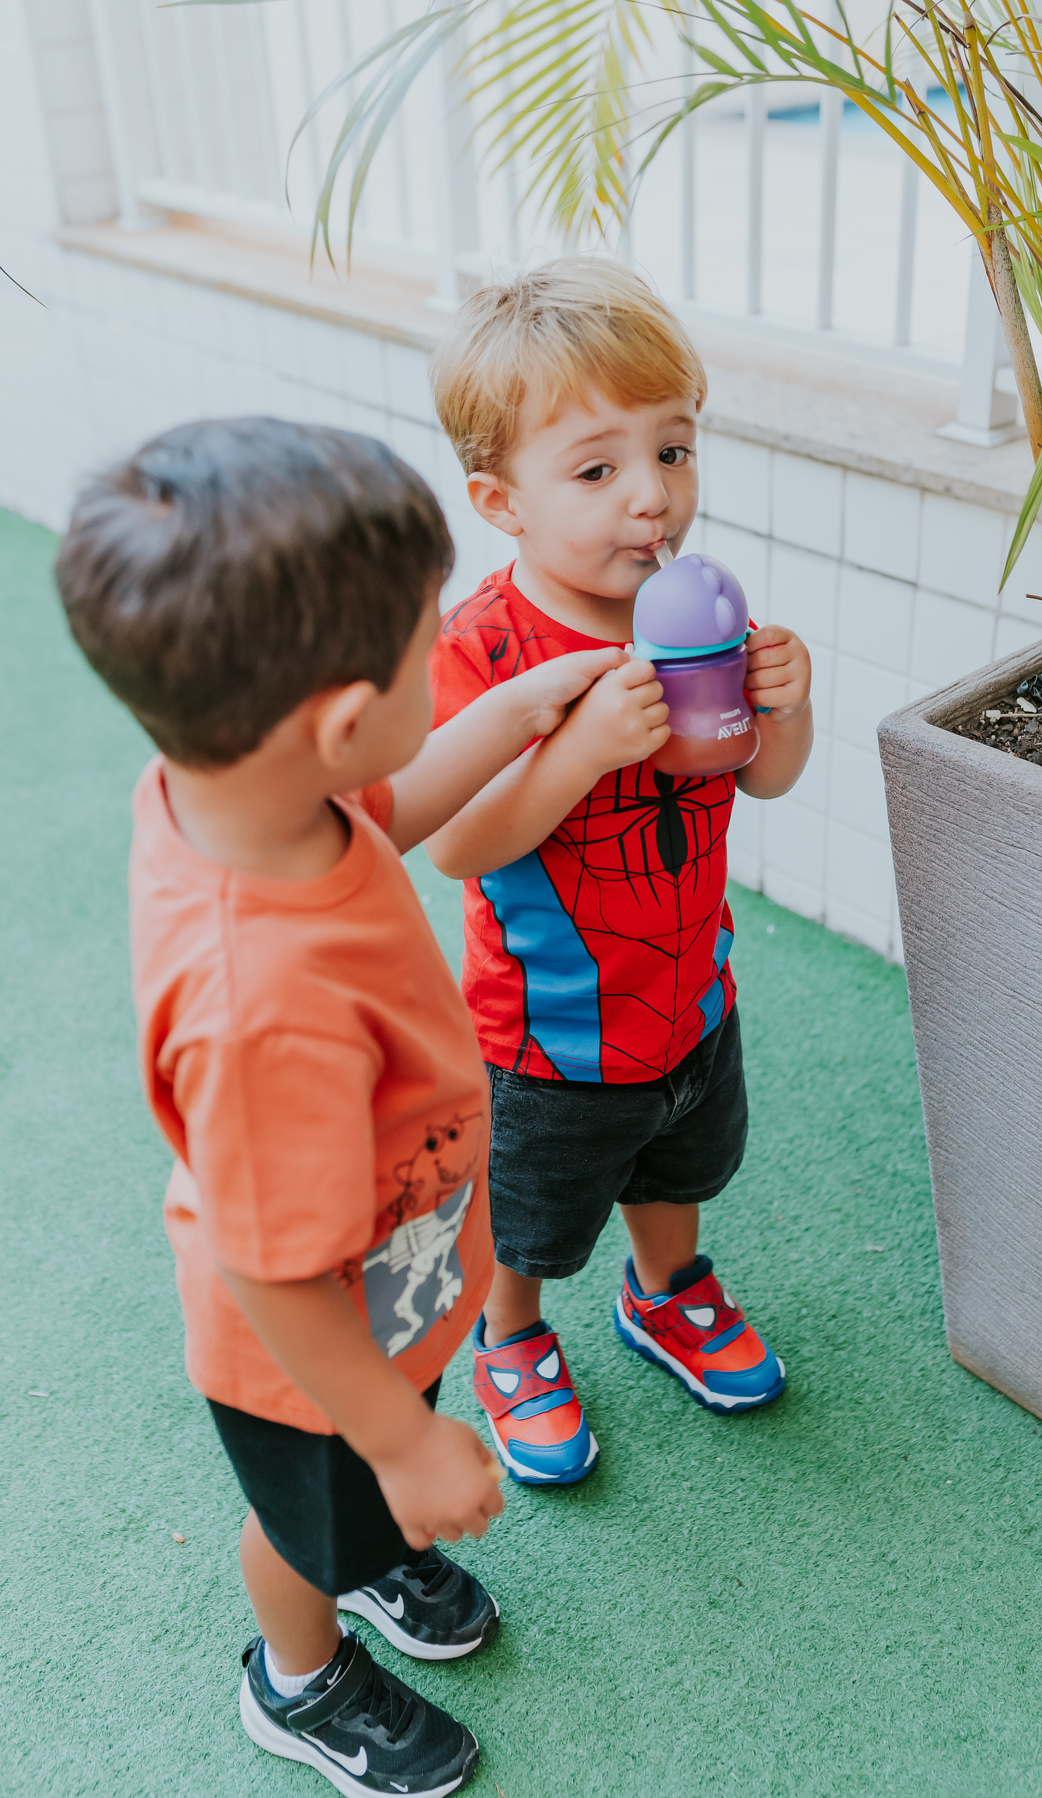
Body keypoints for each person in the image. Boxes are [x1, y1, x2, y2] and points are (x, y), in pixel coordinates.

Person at [55, 417, 631, 1796]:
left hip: (395, 1267)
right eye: (426, 646)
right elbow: (272, 1263)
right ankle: (300, 1671)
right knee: (303, 1520)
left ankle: (372, 1547)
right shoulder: (266, 1005)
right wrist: (400, 1433)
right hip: (311, 1348)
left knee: (359, 1505)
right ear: (331, 721)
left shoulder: (246, 790)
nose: (450, 656)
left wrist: (520, 704)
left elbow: (397, 806)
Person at [425, 260, 814, 1487]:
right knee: (529, 1212)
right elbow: (457, 839)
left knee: (680, 1163)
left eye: (676, 450)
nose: (653, 498)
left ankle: (664, 1294)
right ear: (502, 499)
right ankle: (514, 1337)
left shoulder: (696, 606)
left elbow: (759, 780)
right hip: (547, 1034)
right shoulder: (483, 642)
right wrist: (584, 748)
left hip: (691, 993)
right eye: (597, 470)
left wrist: (787, 711)